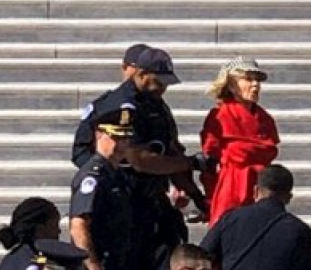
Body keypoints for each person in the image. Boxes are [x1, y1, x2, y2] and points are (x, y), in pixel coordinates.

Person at [71, 45, 211, 270]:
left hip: (151, 204)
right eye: (159, 81)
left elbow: (170, 153)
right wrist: (190, 163)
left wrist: (196, 195)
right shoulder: (121, 108)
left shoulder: (155, 105)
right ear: (140, 74)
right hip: (122, 204)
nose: (163, 88)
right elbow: (141, 160)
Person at [200, 56, 280, 226]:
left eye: (257, 80)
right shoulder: (219, 116)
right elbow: (209, 161)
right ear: (231, 84)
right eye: (248, 79)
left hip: (262, 187)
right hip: (231, 186)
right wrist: (209, 197)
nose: (255, 84)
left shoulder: (265, 119)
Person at [200, 164, 311, 270]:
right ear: (288, 198)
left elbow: (201, 254)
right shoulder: (299, 230)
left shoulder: (231, 219)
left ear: (255, 191)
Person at [69, 107, 135, 270]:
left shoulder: (116, 174)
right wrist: (93, 265)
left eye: (126, 138)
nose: (121, 144)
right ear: (99, 135)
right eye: (115, 137)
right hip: (100, 260)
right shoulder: (93, 176)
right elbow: (78, 225)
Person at [0, 197, 86, 270]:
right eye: (54, 226)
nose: (59, 231)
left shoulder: (11, 259)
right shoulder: (39, 262)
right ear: (40, 229)